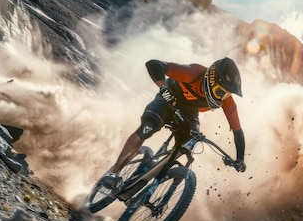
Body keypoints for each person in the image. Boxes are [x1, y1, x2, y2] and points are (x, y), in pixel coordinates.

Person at [101, 57, 246, 192]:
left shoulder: (227, 101)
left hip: (189, 112)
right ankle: (114, 174)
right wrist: (163, 88)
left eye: (226, 94)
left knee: (188, 146)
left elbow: (237, 132)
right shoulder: (193, 72)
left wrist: (240, 159)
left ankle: (157, 188)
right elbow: (153, 64)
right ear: (211, 80)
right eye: (221, 91)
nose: (223, 97)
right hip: (168, 99)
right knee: (148, 127)